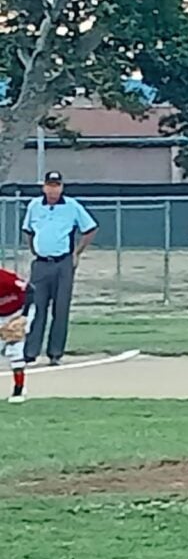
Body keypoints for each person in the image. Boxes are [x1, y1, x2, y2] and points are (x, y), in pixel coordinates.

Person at [20, 170, 97, 367]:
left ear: (61, 187)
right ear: (44, 187)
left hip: (63, 263)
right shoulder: (35, 206)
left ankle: (55, 353)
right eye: (50, 185)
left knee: (60, 309)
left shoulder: (72, 206)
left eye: (57, 185)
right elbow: (28, 231)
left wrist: (76, 253)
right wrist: (36, 250)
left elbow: (90, 228)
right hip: (41, 264)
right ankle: (30, 352)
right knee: (36, 308)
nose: (53, 190)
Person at [0, 268, 35, 403]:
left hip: (19, 311)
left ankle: (18, 390)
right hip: (1, 315)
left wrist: (24, 317)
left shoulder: (5, 278)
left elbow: (30, 290)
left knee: (15, 349)